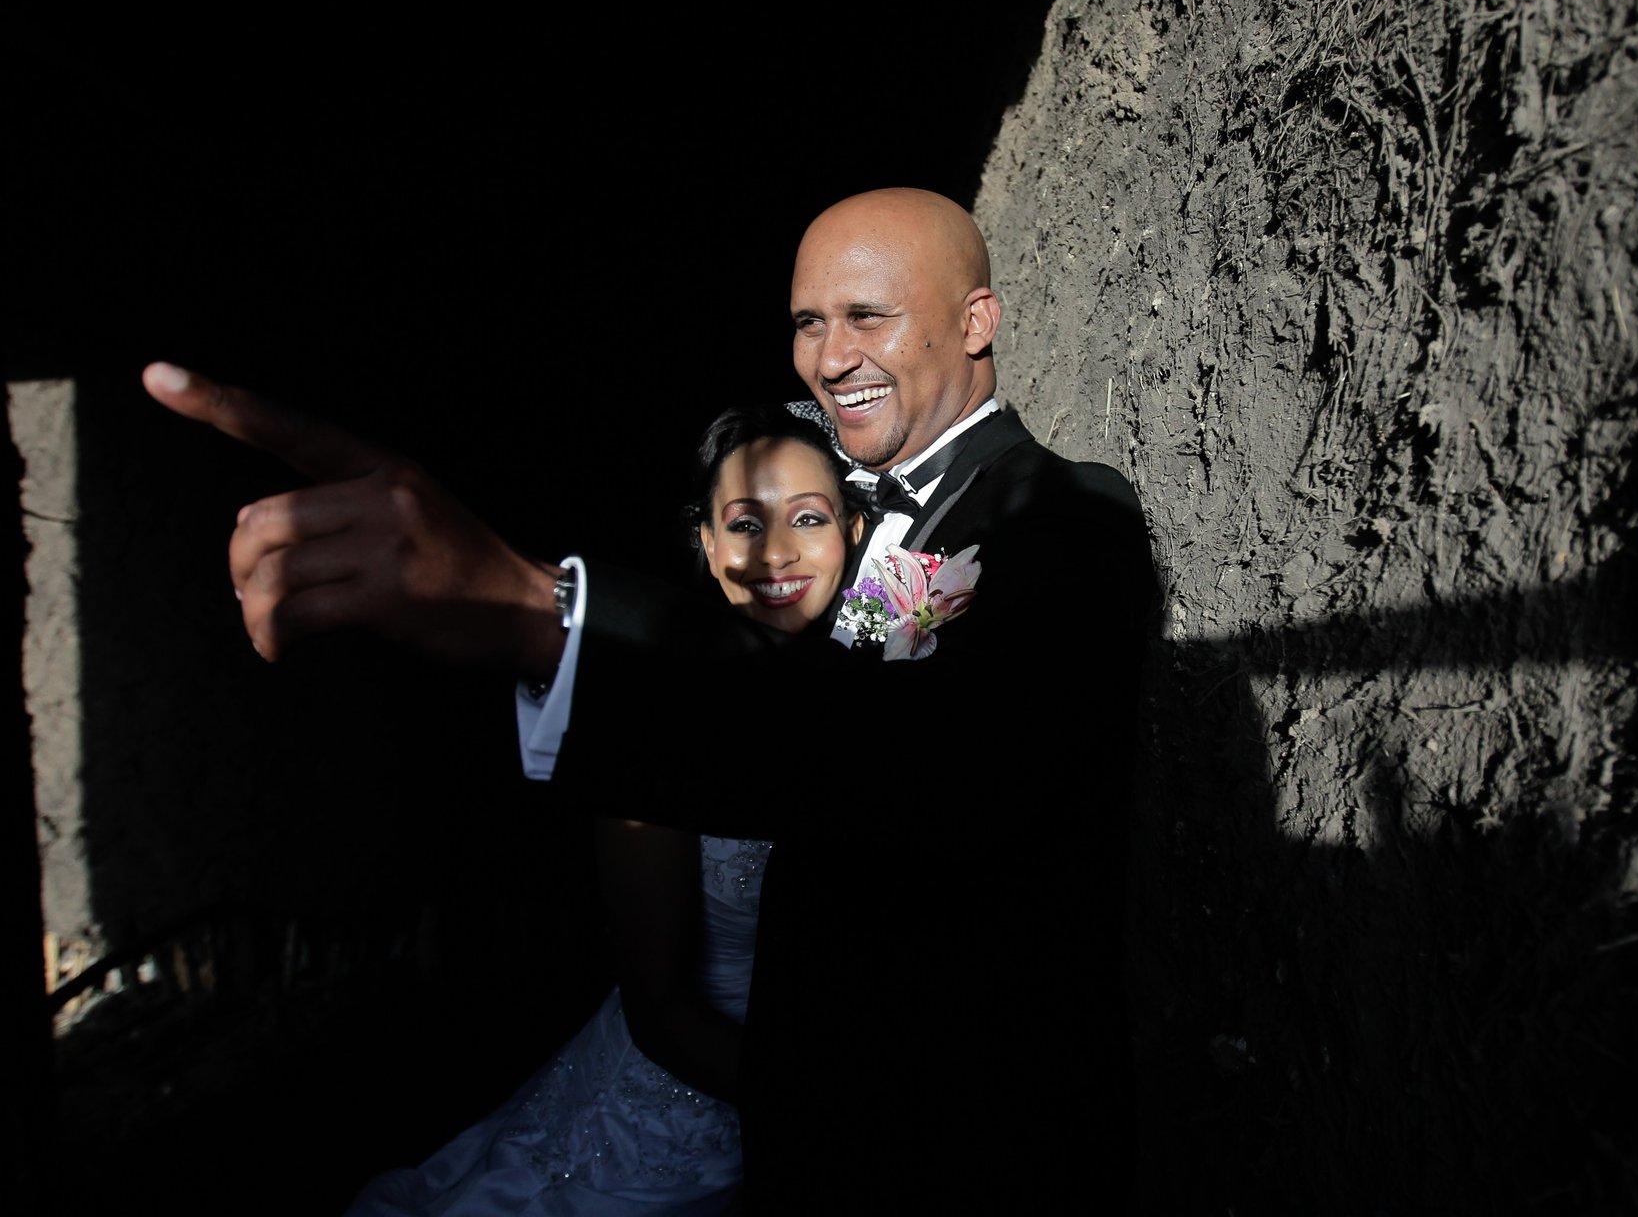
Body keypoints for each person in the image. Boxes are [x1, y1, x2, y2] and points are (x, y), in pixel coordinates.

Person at [144, 186, 1160, 1210]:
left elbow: (931, 768)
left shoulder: (1071, 514)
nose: (829, 356)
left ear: (977, 321)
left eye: (866, 316)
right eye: (808, 322)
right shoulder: (840, 538)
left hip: (975, 1147)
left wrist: (544, 613)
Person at [344, 403, 869, 1216]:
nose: (775, 553)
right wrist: (841, 1111)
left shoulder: (882, 700)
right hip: (675, 1135)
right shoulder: (650, 724)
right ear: (706, 543)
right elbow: (661, 1012)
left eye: (808, 518)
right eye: (743, 524)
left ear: (855, 530)